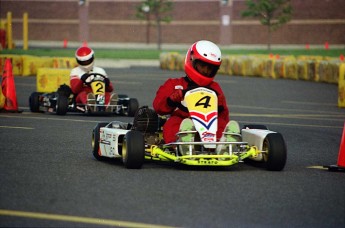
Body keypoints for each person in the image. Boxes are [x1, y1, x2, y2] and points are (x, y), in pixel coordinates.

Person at [153, 40, 240, 149]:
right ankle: (181, 143)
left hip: (208, 123)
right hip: (182, 120)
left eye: (210, 68)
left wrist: (221, 107)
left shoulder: (214, 88)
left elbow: (224, 117)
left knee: (220, 123)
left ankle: (223, 145)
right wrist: (171, 100)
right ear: (191, 60)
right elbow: (158, 107)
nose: (205, 71)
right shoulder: (174, 84)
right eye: (202, 66)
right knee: (173, 123)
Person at [70, 46, 116, 111]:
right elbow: (75, 90)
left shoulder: (100, 71)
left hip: (99, 94)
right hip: (82, 95)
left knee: (107, 94)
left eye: (88, 61)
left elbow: (110, 89)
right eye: (83, 62)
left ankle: (108, 106)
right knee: (82, 95)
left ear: (92, 58)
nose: (86, 63)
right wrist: (81, 80)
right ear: (78, 61)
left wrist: (107, 83)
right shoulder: (75, 71)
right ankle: (90, 105)